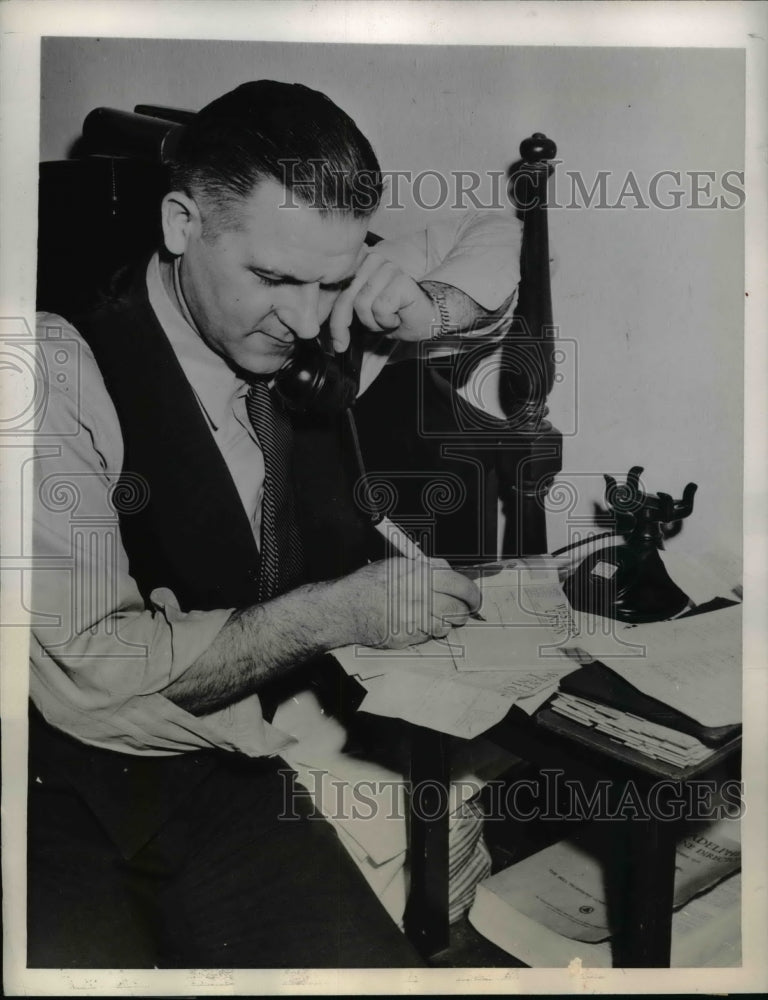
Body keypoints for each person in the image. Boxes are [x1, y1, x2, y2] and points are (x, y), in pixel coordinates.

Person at [28, 80, 522, 968]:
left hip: (230, 782)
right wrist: (336, 612)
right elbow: (96, 673)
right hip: (71, 782)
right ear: (182, 225)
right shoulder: (50, 368)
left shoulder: (310, 310)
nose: (304, 320)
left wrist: (424, 306)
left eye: (329, 280)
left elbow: (498, 237)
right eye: (272, 278)